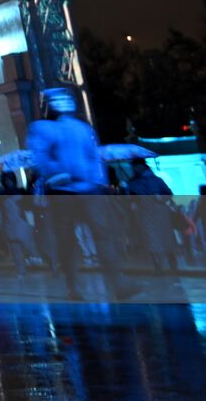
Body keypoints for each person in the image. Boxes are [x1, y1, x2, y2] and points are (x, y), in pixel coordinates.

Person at [26, 86, 129, 299]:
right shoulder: (42, 128)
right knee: (68, 239)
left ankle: (117, 283)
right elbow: (41, 157)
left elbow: (93, 157)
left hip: (88, 189)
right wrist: (56, 174)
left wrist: (99, 182)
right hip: (63, 191)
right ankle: (73, 285)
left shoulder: (83, 129)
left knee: (102, 235)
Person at [125, 158, 179, 273]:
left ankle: (172, 262)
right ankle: (157, 266)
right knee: (150, 239)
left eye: (135, 166)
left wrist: (161, 197)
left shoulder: (156, 180)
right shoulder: (132, 182)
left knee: (166, 237)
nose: (134, 169)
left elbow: (169, 194)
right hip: (144, 213)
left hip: (160, 213)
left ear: (142, 166)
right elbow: (129, 198)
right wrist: (131, 201)